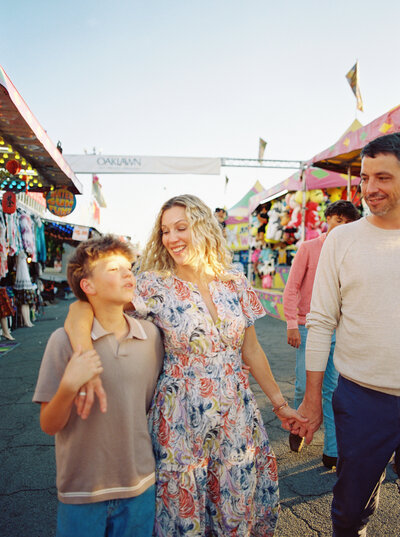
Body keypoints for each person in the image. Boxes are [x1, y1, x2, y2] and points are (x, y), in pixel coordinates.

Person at [65, 194, 307, 537]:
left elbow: (252, 351)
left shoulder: (235, 281)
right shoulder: (153, 285)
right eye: (165, 231)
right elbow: (84, 308)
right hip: (180, 417)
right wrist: (82, 359)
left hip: (236, 414)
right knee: (183, 510)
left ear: (204, 227)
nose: (172, 238)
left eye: (181, 227)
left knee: (234, 501)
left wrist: (281, 406)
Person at [291, 132, 400, 536]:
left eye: (383, 178)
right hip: (362, 398)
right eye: (365, 178)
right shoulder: (341, 240)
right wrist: (313, 396)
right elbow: (320, 321)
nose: (370, 189)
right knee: (350, 513)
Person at [33, 235, 163, 537]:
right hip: (82, 492)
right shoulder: (63, 342)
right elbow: (49, 424)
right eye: (113, 269)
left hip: (140, 485)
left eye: (128, 267)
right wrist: (68, 385)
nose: (128, 273)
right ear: (87, 286)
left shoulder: (152, 337)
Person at [283, 200, 361, 467]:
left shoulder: (352, 252)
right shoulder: (308, 248)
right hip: (307, 327)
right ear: (328, 219)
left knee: (332, 389)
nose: (342, 226)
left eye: (348, 223)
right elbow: (292, 287)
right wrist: (292, 322)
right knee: (304, 386)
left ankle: (332, 450)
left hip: (338, 330)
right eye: (338, 220)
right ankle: (299, 428)